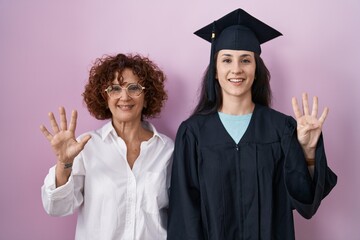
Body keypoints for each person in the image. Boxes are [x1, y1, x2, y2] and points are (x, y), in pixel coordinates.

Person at [167, 8, 337, 240]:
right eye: (226, 60)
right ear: (215, 71)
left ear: (256, 70)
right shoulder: (194, 134)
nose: (236, 69)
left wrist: (307, 151)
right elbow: (185, 215)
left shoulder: (281, 129)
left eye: (245, 60)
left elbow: (305, 202)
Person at [40, 53, 174, 240]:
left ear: (147, 95)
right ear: (105, 96)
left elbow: (180, 214)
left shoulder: (167, 150)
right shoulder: (86, 146)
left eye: (134, 88)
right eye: (115, 89)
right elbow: (56, 207)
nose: (124, 97)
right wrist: (65, 163)